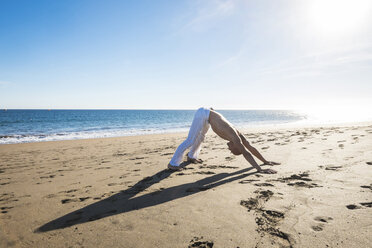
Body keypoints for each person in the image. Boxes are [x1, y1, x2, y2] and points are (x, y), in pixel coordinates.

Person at [168, 107, 280, 173]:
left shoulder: (237, 136)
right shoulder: (235, 138)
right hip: (203, 114)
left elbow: (250, 147)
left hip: (208, 116)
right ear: (236, 146)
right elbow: (246, 153)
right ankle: (173, 163)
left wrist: (265, 161)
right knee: (190, 140)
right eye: (232, 150)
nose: (229, 149)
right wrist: (260, 169)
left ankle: (192, 156)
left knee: (201, 137)